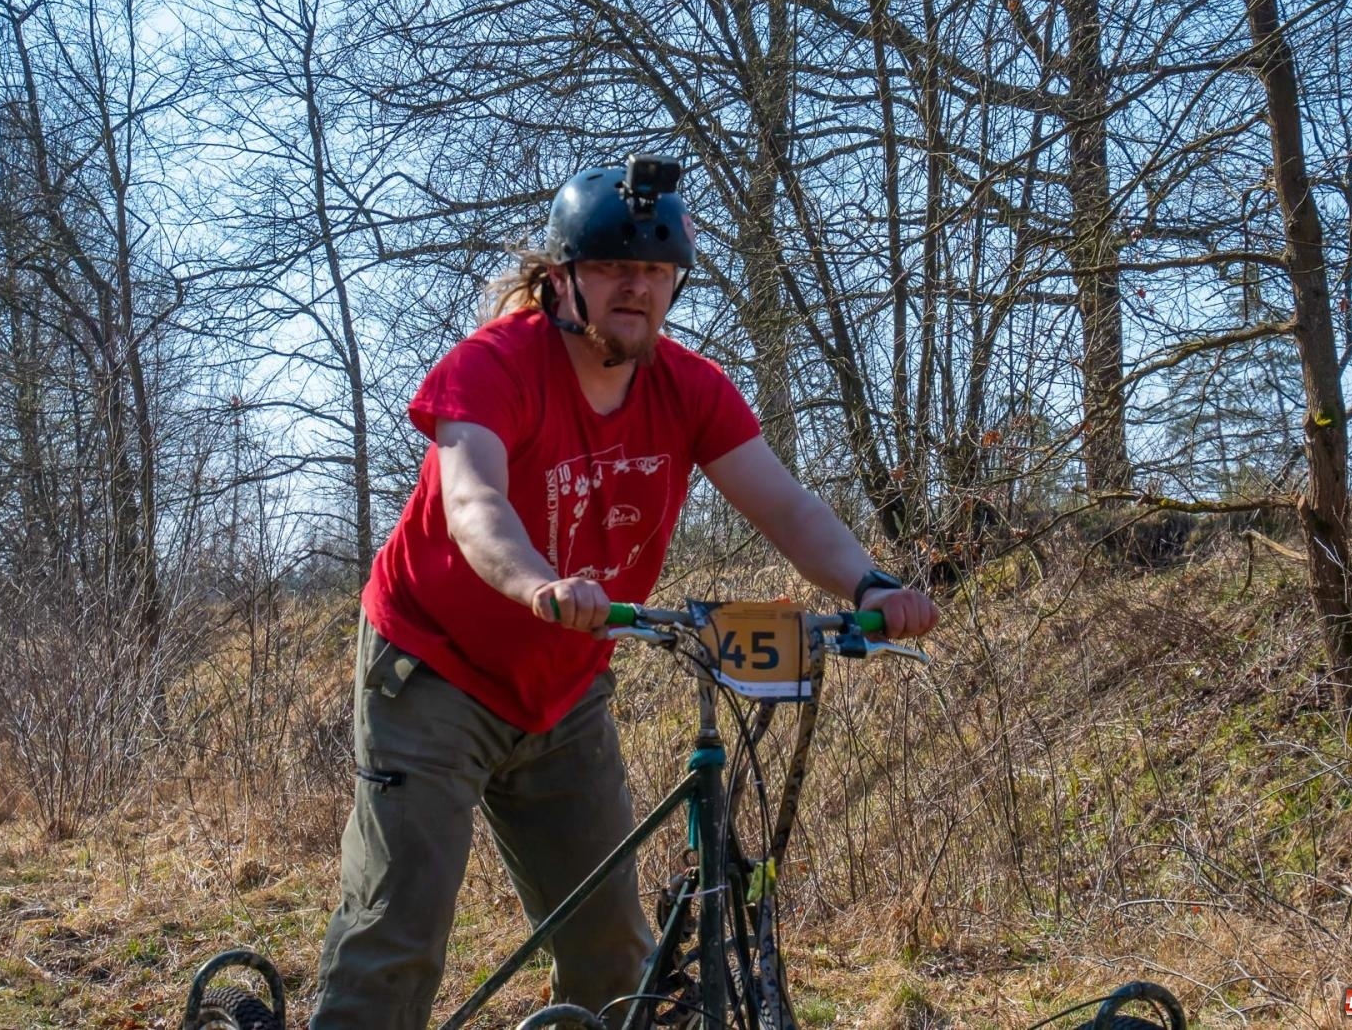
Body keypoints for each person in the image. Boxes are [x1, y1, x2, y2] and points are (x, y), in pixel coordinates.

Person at [310, 154, 938, 1030]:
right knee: (399, 937)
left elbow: (785, 506)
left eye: (653, 270)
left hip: (564, 690)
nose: (634, 288)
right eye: (611, 267)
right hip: (433, 672)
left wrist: (872, 580)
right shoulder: (493, 367)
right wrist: (538, 583)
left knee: (616, 955)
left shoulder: (690, 388)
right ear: (563, 279)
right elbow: (473, 502)